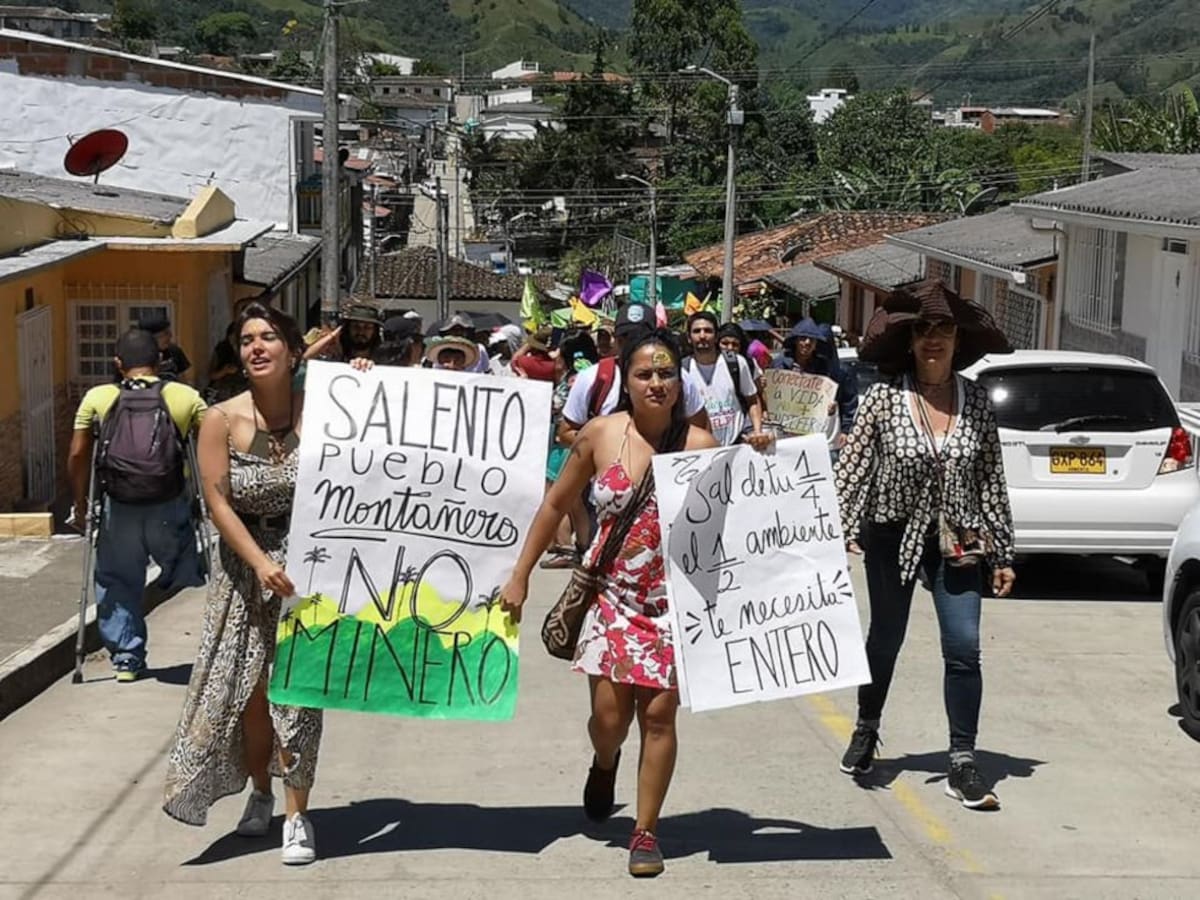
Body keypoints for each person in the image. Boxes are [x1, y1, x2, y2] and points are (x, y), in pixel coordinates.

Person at [500, 329, 718, 878]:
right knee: (609, 718)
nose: (656, 383)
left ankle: (645, 832)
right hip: (611, 596)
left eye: (666, 373)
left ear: (680, 381)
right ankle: (605, 760)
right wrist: (520, 575)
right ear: (626, 378)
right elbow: (555, 505)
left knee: (661, 716)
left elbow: (740, 518)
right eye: (644, 373)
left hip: (671, 605)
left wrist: (763, 453)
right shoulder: (599, 434)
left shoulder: (702, 449)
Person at [834, 279, 1016, 811]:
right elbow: (853, 468)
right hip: (891, 533)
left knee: (963, 648)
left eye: (944, 330)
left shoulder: (977, 402)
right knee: (885, 638)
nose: (933, 339)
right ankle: (868, 727)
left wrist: (1003, 552)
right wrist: (837, 527)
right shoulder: (883, 399)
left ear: (958, 341)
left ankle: (962, 760)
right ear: (910, 341)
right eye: (924, 330)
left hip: (958, 538)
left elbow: (990, 479)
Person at [163, 302, 323, 865]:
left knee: (298, 693)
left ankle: (298, 814)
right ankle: (260, 791)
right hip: (243, 572)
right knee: (251, 693)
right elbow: (217, 502)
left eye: (269, 337)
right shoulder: (219, 419)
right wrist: (258, 562)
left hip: (309, 569)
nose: (256, 347)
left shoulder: (326, 411)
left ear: (293, 351)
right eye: (247, 339)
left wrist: (364, 383)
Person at [68, 329, 207, 681]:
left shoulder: (98, 397)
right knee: (185, 563)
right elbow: (215, 444)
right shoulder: (185, 397)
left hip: (120, 506)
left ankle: (127, 657)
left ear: (118, 364)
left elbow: (77, 453)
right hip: (170, 503)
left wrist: (81, 502)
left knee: (116, 577)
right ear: (160, 361)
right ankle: (177, 574)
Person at [560, 303, 708, 438]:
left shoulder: (679, 378)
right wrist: (603, 445)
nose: (632, 343)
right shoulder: (591, 378)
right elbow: (566, 432)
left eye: (641, 337)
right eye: (625, 337)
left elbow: (701, 428)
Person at [542, 330, 600, 570]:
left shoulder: (575, 380)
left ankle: (573, 547)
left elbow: (561, 408)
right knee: (567, 498)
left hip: (567, 446)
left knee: (566, 497)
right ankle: (574, 545)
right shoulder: (583, 376)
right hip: (563, 444)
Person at [682, 312, 770, 449]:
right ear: (689, 337)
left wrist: (757, 431)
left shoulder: (736, 363)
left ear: (716, 336)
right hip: (701, 450)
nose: (702, 336)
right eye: (697, 331)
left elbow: (752, 400)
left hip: (736, 446)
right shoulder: (683, 371)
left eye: (708, 331)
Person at [772, 318, 858, 444]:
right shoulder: (779, 365)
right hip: (783, 435)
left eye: (811, 340)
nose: (807, 343)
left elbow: (845, 401)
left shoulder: (824, 368)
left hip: (815, 437)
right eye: (803, 338)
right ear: (795, 340)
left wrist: (844, 427)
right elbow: (767, 398)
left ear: (816, 344)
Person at [139, 314, 191, 382]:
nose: (170, 336)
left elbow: (183, 380)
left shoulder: (174, 351)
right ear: (151, 338)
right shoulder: (137, 355)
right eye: (166, 333)